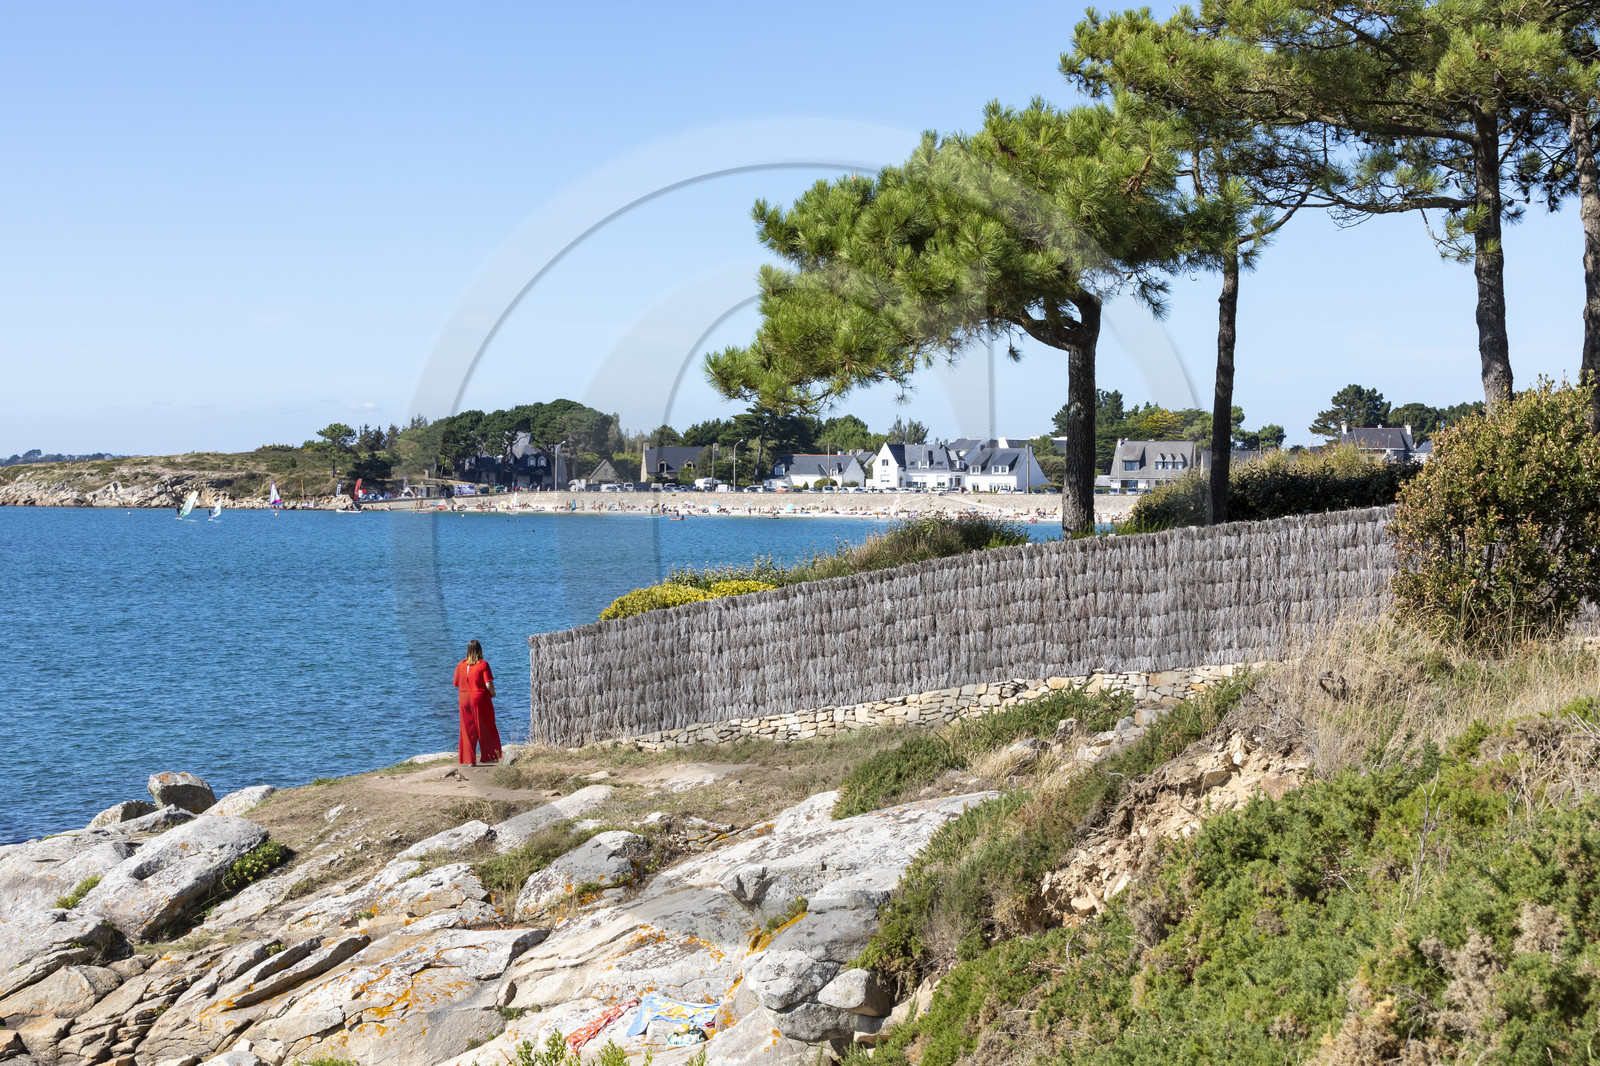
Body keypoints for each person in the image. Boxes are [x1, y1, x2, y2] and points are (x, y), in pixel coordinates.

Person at [452, 639, 502, 766]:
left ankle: (469, 760)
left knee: (467, 728)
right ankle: (490, 756)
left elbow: (457, 684)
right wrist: (493, 693)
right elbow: (488, 684)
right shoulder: (483, 664)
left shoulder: (461, 665)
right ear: (480, 650)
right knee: (486, 726)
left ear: (467, 651)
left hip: (463, 698)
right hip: (479, 697)